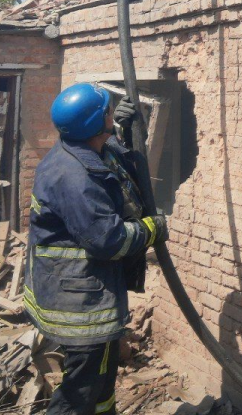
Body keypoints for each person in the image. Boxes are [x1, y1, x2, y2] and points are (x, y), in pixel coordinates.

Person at [24, 83, 168, 415]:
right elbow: (109, 240)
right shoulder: (74, 177)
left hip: (82, 291)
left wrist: (124, 130)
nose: (110, 112)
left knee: (101, 384)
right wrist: (152, 229)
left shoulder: (83, 148)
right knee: (81, 391)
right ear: (94, 124)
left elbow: (115, 161)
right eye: (107, 111)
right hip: (81, 303)